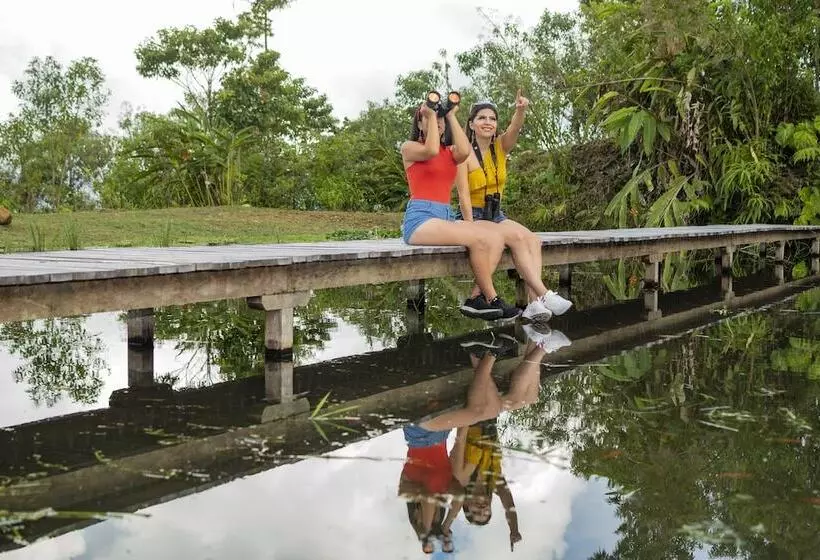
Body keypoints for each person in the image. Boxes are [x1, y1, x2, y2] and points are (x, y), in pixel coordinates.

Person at [455, 91, 573, 323]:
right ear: (471, 124)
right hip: (474, 216)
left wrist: (520, 110)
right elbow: (463, 194)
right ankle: (544, 294)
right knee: (518, 239)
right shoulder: (463, 153)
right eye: (481, 118)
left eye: (492, 118)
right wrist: (470, 227)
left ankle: (533, 304)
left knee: (533, 240)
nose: (487, 122)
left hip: (495, 214)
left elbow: (515, 129)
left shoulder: (500, 147)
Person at [401, 95, 520, 321]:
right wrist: (430, 114)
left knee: (494, 238)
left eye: (440, 121)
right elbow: (432, 150)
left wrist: (451, 115)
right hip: (420, 220)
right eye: (427, 119)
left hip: (444, 218)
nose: (436, 123)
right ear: (419, 124)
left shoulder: (451, 153)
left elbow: (466, 151)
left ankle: (475, 300)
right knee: (476, 238)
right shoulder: (410, 148)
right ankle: (492, 299)